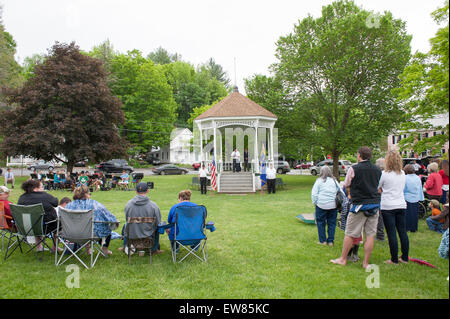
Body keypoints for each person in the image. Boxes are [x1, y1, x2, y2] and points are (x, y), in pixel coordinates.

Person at [330, 146, 381, 269]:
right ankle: (365, 263)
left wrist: (350, 192)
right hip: (374, 205)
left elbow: (347, 184)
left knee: (350, 233)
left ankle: (343, 259)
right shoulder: (377, 169)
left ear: (359, 155)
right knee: (369, 235)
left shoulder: (354, 169)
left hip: (359, 205)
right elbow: (379, 187)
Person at [65, 185, 118, 255]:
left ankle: (88, 249)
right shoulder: (95, 204)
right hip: (90, 234)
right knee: (106, 228)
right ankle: (105, 249)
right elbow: (109, 217)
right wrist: (115, 221)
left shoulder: (68, 206)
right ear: (86, 194)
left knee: (84, 227)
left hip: (70, 234)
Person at [378, 150, 409, 265]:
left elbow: (378, 187)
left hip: (388, 206)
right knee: (402, 232)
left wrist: (382, 190)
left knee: (391, 233)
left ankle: (394, 259)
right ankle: (405, 257)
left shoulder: (384, 174)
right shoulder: (402, 173)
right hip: (401, 204)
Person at [17, 179, 60, 252]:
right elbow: (55, 202)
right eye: (42, 187)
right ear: (35, 188)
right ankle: (54, 247)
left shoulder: (22, 198)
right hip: (45, 227)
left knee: (37, 219)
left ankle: (39, 247)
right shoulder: (44, 195)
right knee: (60, 224)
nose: (43, 189)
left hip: (25, 228)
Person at [121, 182, 163, 255]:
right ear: (147, 190)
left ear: (136, 191)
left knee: (126, 225)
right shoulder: (153, 206)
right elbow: (158, 222)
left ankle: (125, 246)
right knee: (158, 226)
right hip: (148, 235)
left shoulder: (128, 204)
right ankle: (154, 249)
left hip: (132, 235)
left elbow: (126, 218)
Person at [311, 165, 341, 246]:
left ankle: (322, 241)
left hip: (321, 205)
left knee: (321, 223)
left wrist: (315, 203)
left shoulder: (319, 181)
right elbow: (340, 191)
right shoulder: (334, 181)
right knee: (332, 223)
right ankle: (330, 241)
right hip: (333, 205)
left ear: (321, 172)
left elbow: (314, 194)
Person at [403, 164, 424, 232]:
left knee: (407, 214)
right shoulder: (417, 177)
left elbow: (403, 188)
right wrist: (421, 197)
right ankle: (414, 227)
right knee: (415, 214)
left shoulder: (405, 178)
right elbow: (420, 188)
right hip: (415, 197)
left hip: (407, 197)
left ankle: (407, 227)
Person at [374, 158, 386, 241]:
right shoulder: (388, 173)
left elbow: (378, 187)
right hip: (388, 197)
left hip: (380, 196)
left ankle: (380, 234)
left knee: (380, 217)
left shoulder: (379, 174)